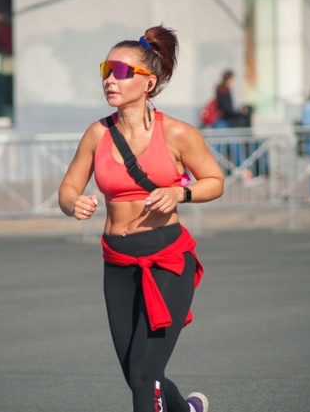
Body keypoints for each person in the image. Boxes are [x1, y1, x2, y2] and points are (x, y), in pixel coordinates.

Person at [58, 25, 224, 412]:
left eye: (120, 71)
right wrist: (74, 203)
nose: (109, 80)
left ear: (148, 83)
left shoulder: (179, 133)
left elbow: (215, 182)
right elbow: (67, 190)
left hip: (166, 258)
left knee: (142, 377)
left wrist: (179, 192)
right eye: (105, 69)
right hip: (117, 261)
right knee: (138, 371)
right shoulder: (97, 134)